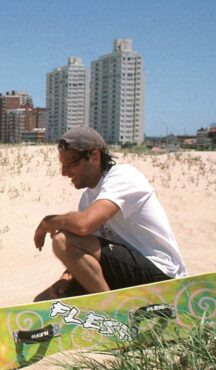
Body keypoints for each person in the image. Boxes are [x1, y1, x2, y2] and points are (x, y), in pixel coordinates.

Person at [33, 127, 187, 301]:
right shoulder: (87, 199)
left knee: (62, 240)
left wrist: (48, 222)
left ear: (95, 157)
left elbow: (83, 225)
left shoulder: (123, 176)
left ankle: (112, 314)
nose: (64, 172)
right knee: (44, 301)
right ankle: (108, 312)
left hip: (161, 273)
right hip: (125, 272)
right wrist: (67, 277)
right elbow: (83, 251)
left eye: (71, 164)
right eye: (62, 165)